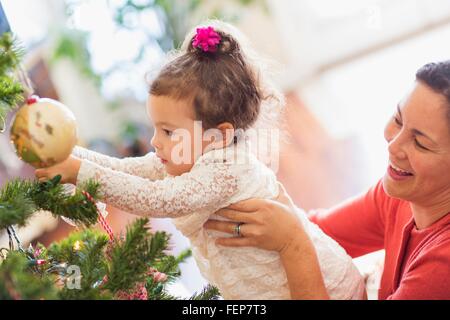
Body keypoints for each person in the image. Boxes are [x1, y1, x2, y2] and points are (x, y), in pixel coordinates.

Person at [35, 21, 364, 299]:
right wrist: (72, 154)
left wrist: (79, 172)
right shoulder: (193, 155)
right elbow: (134, 168)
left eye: (168, 132)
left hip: (329, 290)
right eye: (156, 128)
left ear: (218, 135)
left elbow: (156, 198)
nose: (154, 142)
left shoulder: (226, 172)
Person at [204, 61, 450, 300]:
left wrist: (293, 245)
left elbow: (298, 236)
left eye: (420, 143)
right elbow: (317, 232)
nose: (393, 145)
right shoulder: (398, 196)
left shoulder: (444, 265)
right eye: (398, 120)